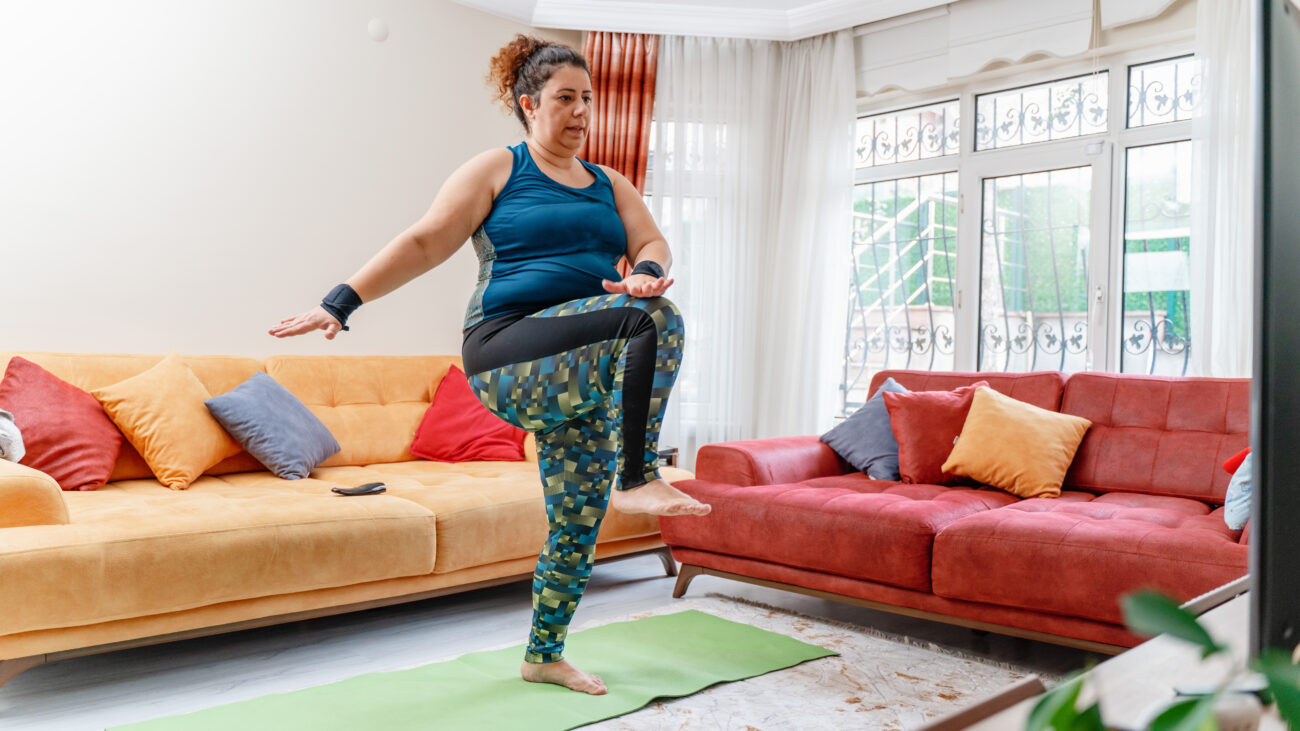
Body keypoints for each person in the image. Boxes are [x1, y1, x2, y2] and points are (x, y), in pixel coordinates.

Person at [269, 34, 710, 696]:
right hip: (507, 351)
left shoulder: (609, 183)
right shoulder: (499, 170)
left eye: (588, 98)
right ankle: (639, 473)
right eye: (566, 98)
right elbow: (425, 240)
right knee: (654, 322)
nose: (582, 111)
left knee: (576, 520)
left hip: (576, 370)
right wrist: (340, 301)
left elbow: (651, 239)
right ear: (530, 104)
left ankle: (544, 654)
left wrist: (647, 270)